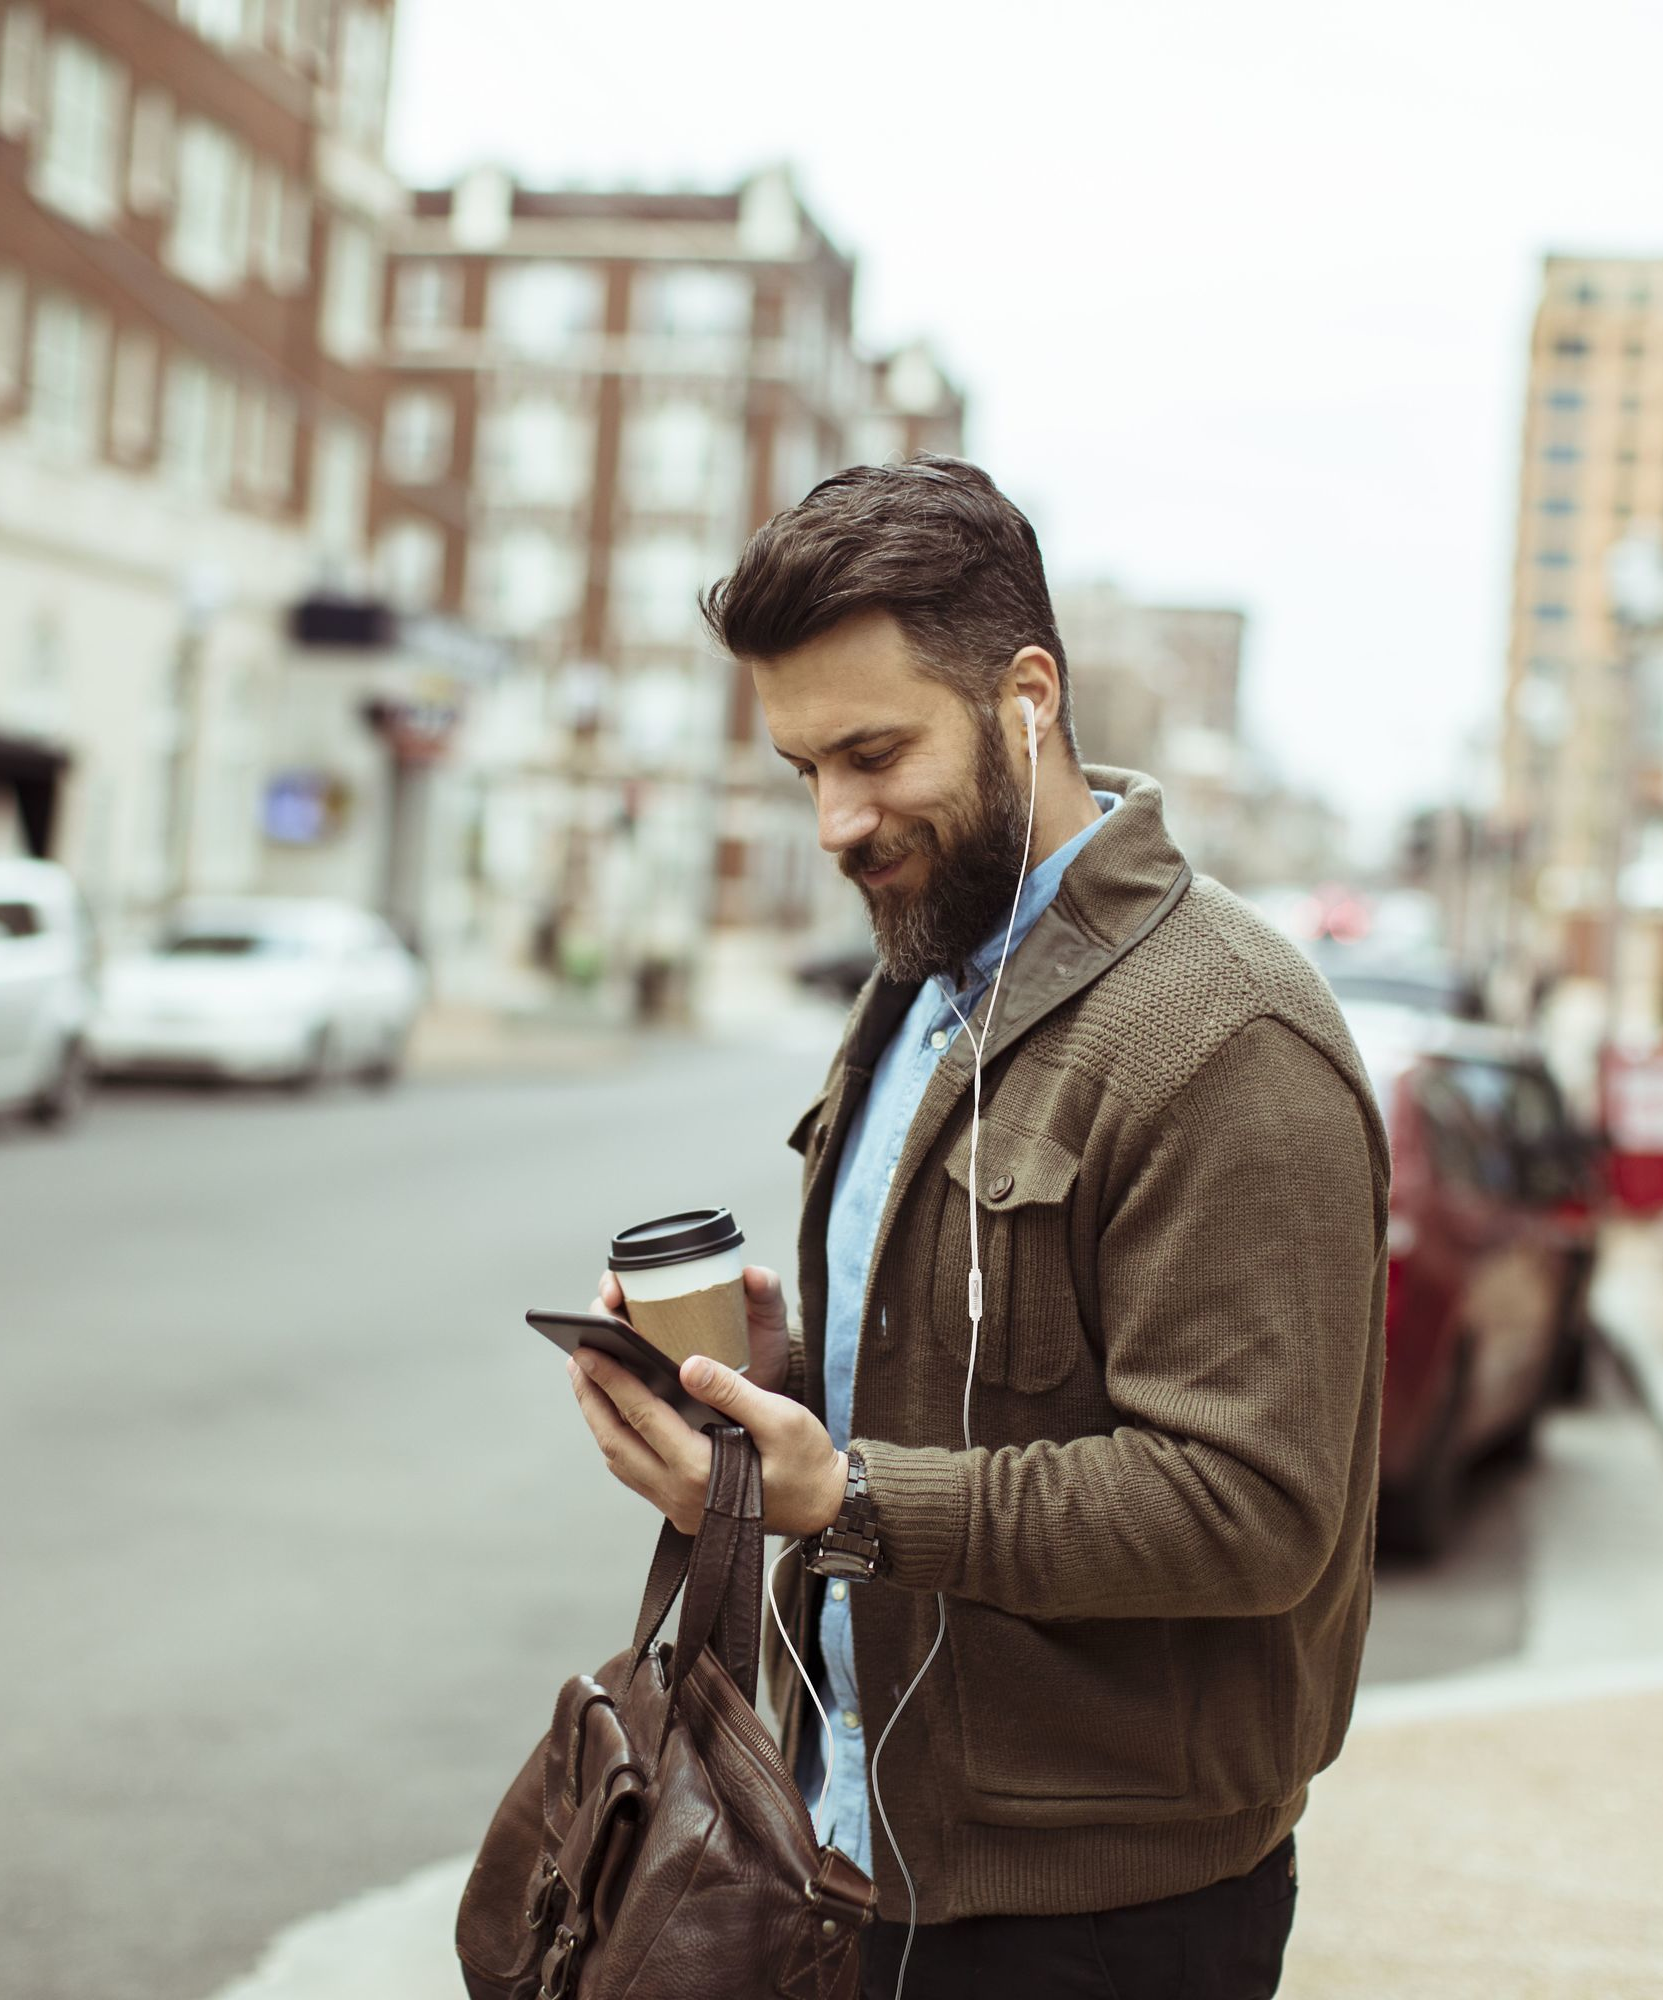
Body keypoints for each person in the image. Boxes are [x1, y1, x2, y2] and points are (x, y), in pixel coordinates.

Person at [562, 457, 1387, 1999]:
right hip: (851, 1847)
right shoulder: (924, 980)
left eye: (874, 753)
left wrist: (847, 1493)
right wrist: (782, 1383)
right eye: (803, 767)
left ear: (1027, 696)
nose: (835, 822)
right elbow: (983, 1382)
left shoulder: (1230, 1035)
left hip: (1094, 1921)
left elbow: (1252, 1508)